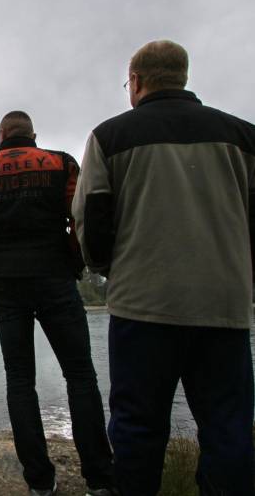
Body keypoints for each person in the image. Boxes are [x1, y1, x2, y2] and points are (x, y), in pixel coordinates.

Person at [72, 39, 255, 496]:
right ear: (183, 76)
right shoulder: (243, 137)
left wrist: (109, 269)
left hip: (143, 308)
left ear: (135, 81)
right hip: (225, 307)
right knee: (228, 427)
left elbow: (90, 220)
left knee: (137, 426)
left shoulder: (109, 137)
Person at [0, 111, 114, 496]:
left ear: (1, 136)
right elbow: (80, 218)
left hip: (6, 283)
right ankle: (99, 478)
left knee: (20, 381)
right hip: (54, 278)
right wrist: (74, 261)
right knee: (80, 376)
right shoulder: (60, 162)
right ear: (32, 134)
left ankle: (40, 482)